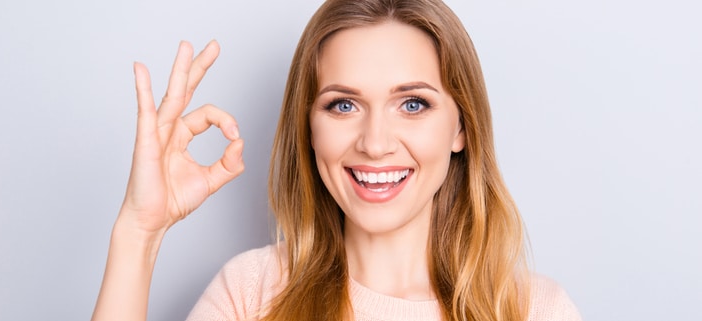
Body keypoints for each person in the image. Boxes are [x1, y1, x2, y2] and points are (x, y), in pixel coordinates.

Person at [92, 0, 583, 320]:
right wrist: (140, 232)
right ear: (308, 127)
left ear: (460, 127)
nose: (374, 142)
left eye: (413, 104)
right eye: (342, 105)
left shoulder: (533, 310)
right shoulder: (252, 293)